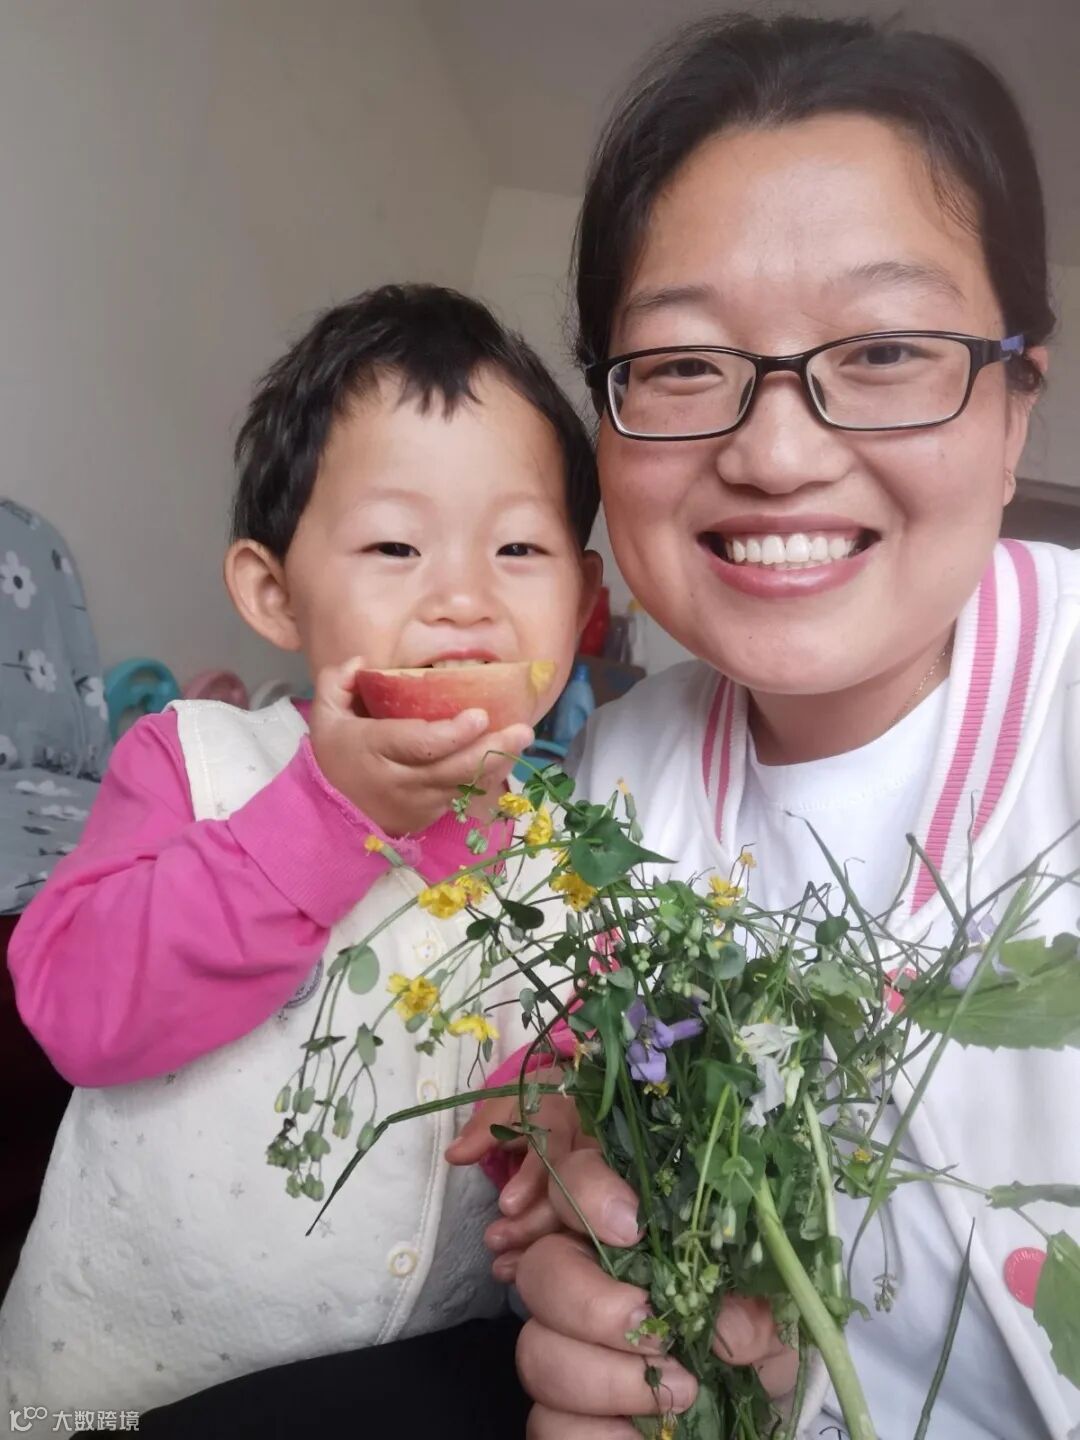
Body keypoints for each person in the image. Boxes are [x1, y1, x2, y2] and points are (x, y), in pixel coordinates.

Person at [455, 15, 1079, 1439]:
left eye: (888, 349)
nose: (776, 452)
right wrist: (595, 1260)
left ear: (1015, 409)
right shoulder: (617, 778)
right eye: (680, 365)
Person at [1, 283, 602, 1417]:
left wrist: (547, 1113)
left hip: (394, 1396)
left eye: (520, 546)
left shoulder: (569, 850)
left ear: (583, 606)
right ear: (275, 594)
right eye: (395, 544)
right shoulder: (193, 762)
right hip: (111, 1385)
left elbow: (569, 1040)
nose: (463, 596)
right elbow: (74, 1007)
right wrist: (331, 813)